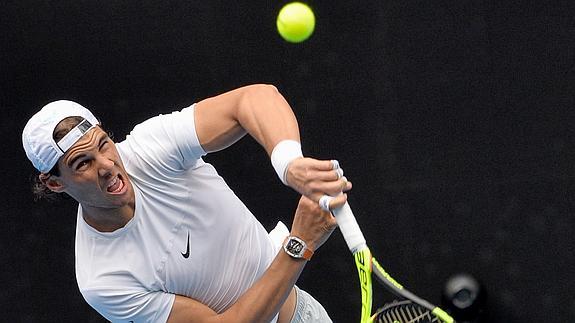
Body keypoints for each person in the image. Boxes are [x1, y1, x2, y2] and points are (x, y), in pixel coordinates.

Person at [22, 84, 352, 322]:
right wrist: (300, 244)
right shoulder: (104, 279)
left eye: (104, 144)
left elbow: (254, 98)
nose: (107, 165)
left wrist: (289, 163)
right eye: (83, 163)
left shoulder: (149, 147)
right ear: (54, 182)